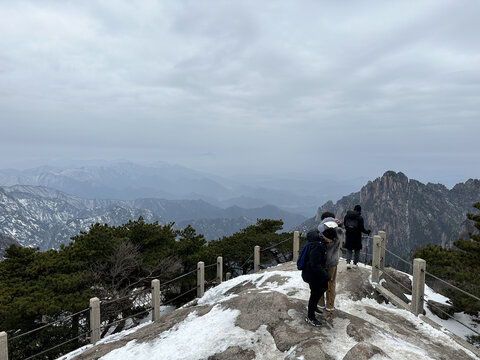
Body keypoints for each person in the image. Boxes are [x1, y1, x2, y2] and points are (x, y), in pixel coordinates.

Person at [301, 223, 338, 327]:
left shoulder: (320, 240)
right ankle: (310, 317)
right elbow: (315, 264)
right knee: (315, 294)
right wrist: (326, 275)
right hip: (312, 274)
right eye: (331, 239)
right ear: (328, 238)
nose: (331, 242)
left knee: (321, 288)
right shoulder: (317, 246)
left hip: (313, 273)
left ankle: (313, 308)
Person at [317, 212, 342, 312]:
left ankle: (320, 303)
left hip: (322, 262)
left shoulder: (320, 233)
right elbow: (343, 232)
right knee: (331, 283)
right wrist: (340, 225)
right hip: (332, 262)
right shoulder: (339, 231)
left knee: (320, 282)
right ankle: (330, 305)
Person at [343, 204, 371, 269]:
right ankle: (355, 264)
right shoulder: (360, 218)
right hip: (357, 236)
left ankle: (348, 263)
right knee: (357, 250)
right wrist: (367, 232)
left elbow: (345, 224)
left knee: (349, 249)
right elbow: (361, 228)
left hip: (349, 234)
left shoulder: (347, 216)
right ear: (359, 210)